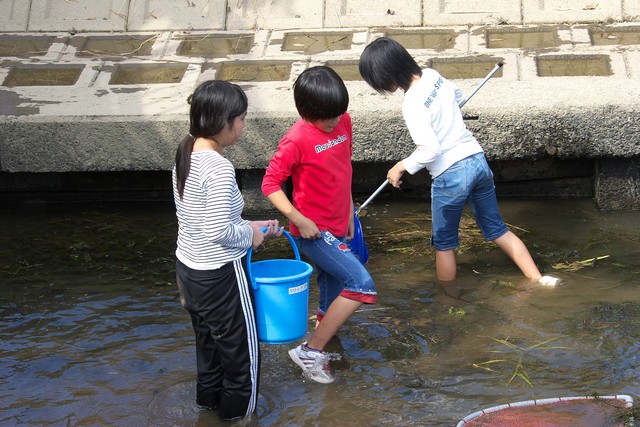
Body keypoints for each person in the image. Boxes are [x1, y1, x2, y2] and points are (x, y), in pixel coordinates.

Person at [358, 37, 560, 287]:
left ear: (386, 77)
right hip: (476, 160)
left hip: (450, 174)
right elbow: (456, 94)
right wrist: (445, 114)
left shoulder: (411, 104)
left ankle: (447, 301)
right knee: (497, 229)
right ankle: (539, 280)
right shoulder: (432, 75)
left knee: (444, 244)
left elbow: (430, 150)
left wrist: (400, 166)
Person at [172, 80, 282, 421]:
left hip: (189, 272)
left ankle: (206, 415)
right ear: (224, 122)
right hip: (220, 277)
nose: (244, 126)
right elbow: (218, 231)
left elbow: (199, 218)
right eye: (242, 119)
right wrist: (251, 236)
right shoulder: (219, 167)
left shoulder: (186, 151)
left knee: (210, 355)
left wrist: (249, 225)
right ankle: (240, 420)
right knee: (243, 364)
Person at [261, 66, 377, 384]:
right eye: (326, 118)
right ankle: (310, 351)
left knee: (333, 295)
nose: (334, 121)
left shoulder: (344, 122)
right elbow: (270, 184)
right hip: (313, 232)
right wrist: (299, 219)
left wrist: (350, 213)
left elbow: (344, 167)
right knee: (362, 285)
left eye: (337, 114)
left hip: (341, 224)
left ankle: (324, 347)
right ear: (305, 111)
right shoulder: (296, 139)